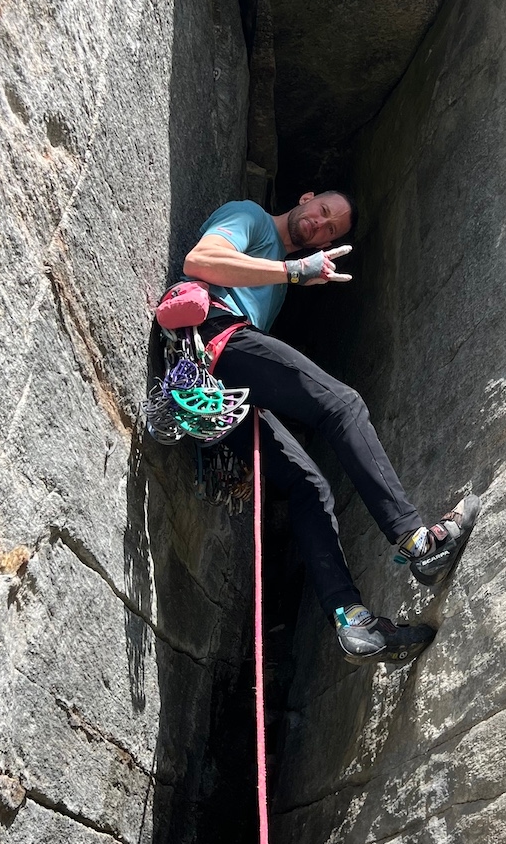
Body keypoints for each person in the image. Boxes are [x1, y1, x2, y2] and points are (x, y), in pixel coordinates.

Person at [181, 190, 479, 665]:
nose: (320, 225)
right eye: (322, 212)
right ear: (307, 198)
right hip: (214, 342)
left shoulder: (275, 286)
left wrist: (286, 276)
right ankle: (418, 542)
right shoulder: (252, 219)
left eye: (331, 228)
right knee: (342, 405)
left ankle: (352, 620)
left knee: (309, 485)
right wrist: (294, 271)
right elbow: (202, 260)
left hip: (216, 390)